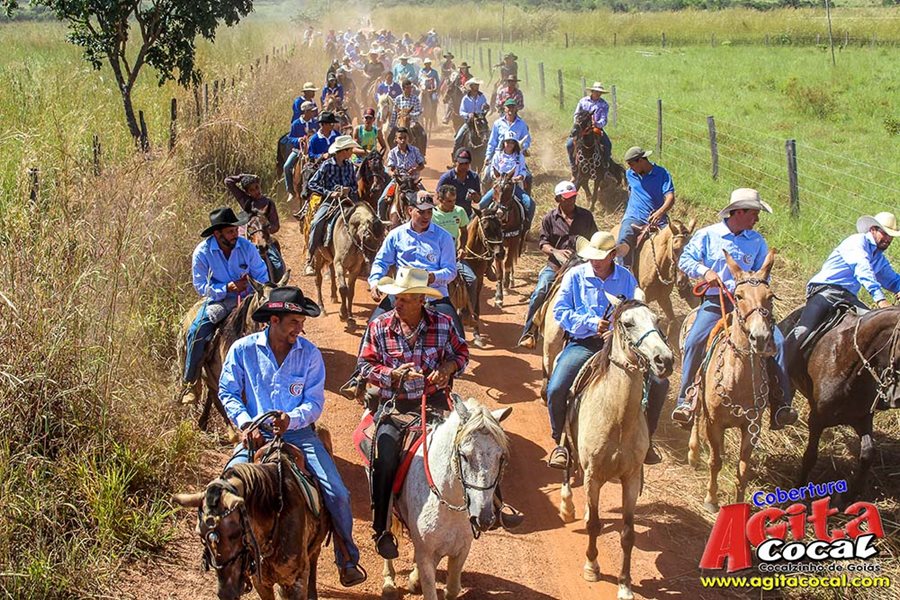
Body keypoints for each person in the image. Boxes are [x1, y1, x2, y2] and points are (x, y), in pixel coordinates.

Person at [219, 286, 367, 587]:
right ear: (273, 320)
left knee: (338, 493)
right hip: (256, 436)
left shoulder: (309, 354)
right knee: (224, 494)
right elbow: (228, 391)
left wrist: (292, 419)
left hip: (299, 436)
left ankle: (346, 558)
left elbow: (314, 402)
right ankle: (234, 564)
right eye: (294, 323)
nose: (300, 329)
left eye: (302, 323)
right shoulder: (243, 350)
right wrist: (246, 423)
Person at [356, 266, 469, 558]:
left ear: (421, 300)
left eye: (404, 299)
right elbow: (365, 366)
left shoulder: (444, 324)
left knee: (472, 444)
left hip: (436, 403)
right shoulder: (379, 326)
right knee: (384, 456)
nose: (397, 303)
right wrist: (392, 375)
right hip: (396, 405)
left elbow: (462, 354)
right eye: (397, 297)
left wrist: (448, 368)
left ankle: (490, 507)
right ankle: (382, 528)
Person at [672, 188, 798, 430]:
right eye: (754, 213)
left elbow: (764, 274)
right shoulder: (707, 235)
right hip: (716, 301)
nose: (757, 219)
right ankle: (686, 400)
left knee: (779, 343)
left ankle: (780, 404)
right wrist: (705, 272)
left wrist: (755, 288)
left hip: (751, 305)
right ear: (739, 212)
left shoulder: (757, 241)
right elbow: (685, 260)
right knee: (695, 340)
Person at [545, 231, 667, 468]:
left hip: (622, 346)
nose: (595, 261)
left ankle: (647, 439)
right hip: (584, 343)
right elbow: (561, 311)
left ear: (612, 255)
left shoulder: (626, 278)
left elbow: (636, 311)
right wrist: (591, 323)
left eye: (601, 256)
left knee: (659, 384)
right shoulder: (574, 276)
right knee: (556, 388)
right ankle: (561, 443)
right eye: (592, 256)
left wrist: (616, 333)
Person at [341, 192, 463, 400]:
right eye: (421, 212)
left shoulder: (443, 237)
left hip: (433, 294)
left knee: (456, 331)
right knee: (373, 324)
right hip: (403, 291)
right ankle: (358, 378)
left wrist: (433, 277)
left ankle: (446, 379)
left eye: (429, 212)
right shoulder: (396, 234)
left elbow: (451, 270)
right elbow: (381, 261)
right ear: (409, 210)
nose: (426, 216)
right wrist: (375, 282)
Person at [784, 212, 900, 372]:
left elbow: (893, 280)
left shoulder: (878, 258)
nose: (888, 239)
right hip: (825, 290)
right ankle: (776, 368)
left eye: (891, 236)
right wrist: (880, 300)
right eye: (885, 233)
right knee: (803, 331)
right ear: (873, 229)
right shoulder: (856, 242)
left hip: (848, 297)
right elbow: (862, 270)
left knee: (871, 327)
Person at [182, 208, 269, 403]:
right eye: (230, 231)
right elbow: (201, 286)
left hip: (250, 298)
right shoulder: (202, 253)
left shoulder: (246, 247)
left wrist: (261, 290)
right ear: (217, 234)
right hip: (219, 301)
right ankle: (191, 383)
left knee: (276, 322)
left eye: (236, 230)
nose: (235, 234)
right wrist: (226, 287)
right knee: (197, 331)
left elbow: (262, 274)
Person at [518, 181, 598, 349]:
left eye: (573, 197)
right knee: (540, 291)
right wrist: (555, 251)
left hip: (582, 265)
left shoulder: (586, 216)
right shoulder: (549, 218)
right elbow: (543, 243)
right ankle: (530, 332)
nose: (571, 200)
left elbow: (595, 239)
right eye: (567, 198)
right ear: (558, 199)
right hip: (556, 267)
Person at [305, 135, 361, 276]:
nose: (352, 152)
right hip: (330, 201)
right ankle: (309, 259)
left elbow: (355, 186)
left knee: (365, 221)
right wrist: (329, 193)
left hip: (348, 200)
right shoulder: (327, 165)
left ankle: (364, 258)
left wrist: (349, 190)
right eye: (350, 150)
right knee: (317, 222)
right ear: (344, 151)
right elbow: (312, 183)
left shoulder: (350, 166)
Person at [616, 146, 676, 269]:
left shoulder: (662, 174)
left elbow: (670, 198)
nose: (630, 168)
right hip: (634, 217)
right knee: (624, 238)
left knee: (676, 242)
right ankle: (623, 270)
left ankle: (680, 276)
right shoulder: (630, 174)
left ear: (641, 160)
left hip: (658, 219)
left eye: (632, 164)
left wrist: (660, 212)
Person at [224, 173, 285, 277]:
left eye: (257, 187)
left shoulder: (269, 203)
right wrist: (243, 176)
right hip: (245, 236)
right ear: (247, 192)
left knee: (278, 267)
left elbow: (276, 225)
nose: (256, 191)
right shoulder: (245, 200)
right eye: (251, 190)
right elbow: (228, 181)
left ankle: (276, 282)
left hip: (263, 238)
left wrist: (263, 230)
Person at [477, 130, 535, 232]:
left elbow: (523, 170)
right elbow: (492, 170)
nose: (509, 144)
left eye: (512, 142)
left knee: (530, 204)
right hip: (499, 186)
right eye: (508, 142)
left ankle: (526, 228)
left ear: (515, 144)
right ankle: (477, 227)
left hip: (513, 186)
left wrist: (519, 177)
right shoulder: (497, 155)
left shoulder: (519, 156)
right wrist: (496, 177)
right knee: (482, 204)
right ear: (503, 142)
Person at [433, 184, 478, 315]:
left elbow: (464, 231)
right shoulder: (432, 215)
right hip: (435, 257)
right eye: (449, 201)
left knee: (472, 280)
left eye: (454, 200)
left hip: (454, 256)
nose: (452, 204)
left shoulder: (459, 211)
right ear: (440, 200)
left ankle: (469, 313)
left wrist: (462, 248)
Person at [566, 82, 612, 180]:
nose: (598, 94)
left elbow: (604, 119)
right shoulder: (583, 101)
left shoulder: (604, 104)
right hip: (581, 128)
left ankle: (605, 168)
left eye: (600, 92)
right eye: (596, 91)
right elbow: (576, 115)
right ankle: (574, 169)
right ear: (592, 91)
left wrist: (597, 124)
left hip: (595, 128)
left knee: (607, 145)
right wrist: (578, 125)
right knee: (569, 145)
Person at [376, 127, 425, 220]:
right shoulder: (392, 153)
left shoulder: (415, 150)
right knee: (381, 201)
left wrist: (415, 169)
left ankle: (431, 221)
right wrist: (393, 174)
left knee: (427, 198)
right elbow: (390, 169)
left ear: (408, 138)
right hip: (398, 182)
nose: (402, 140)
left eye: (405, 138)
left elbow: (422, 166)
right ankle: (381, 222)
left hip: (413, 182)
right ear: (396, 139)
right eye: (400, 138)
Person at [485, 99, 531, 178]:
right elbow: (492, 141)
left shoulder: (522, 124)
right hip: (499, 155)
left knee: (528, 177)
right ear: (504, 108)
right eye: (508, 107)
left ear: (516, 109)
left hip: (515, 156)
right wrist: (488, 156)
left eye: (513, 107)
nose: (511, 109)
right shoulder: (497, 124)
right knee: (487, 176)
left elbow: (527, 140)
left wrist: (521, 147)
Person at [284, 101, 320, 199]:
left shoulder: (315, 123)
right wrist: (298, 139)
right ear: (305, 112)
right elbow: (290, 138)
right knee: (287, 166)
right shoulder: (296, 123)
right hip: (298, 150)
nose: (313, 113)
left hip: (313, 150)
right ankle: (290, 190)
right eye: (311, 111)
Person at [435, 148, 481, 217]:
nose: (463, 166)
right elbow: (436, 198)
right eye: (461, 163)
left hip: (466, 215)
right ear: (455, 162)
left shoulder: (474, 177)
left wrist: (475, 196)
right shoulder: (447, 178)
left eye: (466, 163)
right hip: (449, 216)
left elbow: (478, 200)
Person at [454, 79, 488, 149]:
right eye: (475, 85)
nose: (477, 87)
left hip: (481, 121)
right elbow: (461, 112)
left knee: (490, 136)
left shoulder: (482, 97)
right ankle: (456, 153)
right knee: (458, 138)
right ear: (471, 86)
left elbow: (485, 107)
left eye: (478, 85)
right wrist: (468, 115)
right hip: (469, 122)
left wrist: (486, 107)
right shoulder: (465, 99)